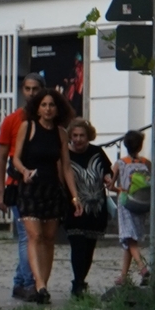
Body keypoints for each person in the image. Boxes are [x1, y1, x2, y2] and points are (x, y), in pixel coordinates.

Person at [6, 87, 79, 304]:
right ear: (37, 108)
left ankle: (43, 285)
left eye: (52, 105)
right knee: (34, 236)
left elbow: (66, 167)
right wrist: (24, 171)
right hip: (29, 189)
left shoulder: (61, 133)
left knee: (48, 239)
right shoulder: (27, 127)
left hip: (51, 190)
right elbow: (15, 158)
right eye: (44, 105)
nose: (48, 109)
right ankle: (38, 283)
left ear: (58, 109)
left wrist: (75, 197)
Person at [0, 75, 43, 300]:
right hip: (17, 184)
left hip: (43, 186)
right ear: (22, 91)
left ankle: (20, 281)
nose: (31, 93)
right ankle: (27, 282)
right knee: (28, 236)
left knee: (35, 236)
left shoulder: (50, 120)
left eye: (35, 89)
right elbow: (2, 157)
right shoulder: (12, 120)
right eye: (28, 89)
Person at [61, 119, 113, 298]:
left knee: (90, 246)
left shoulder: (97, 152)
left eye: (82, 135)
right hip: (74, 207)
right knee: (77, 245)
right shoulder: (65, 153)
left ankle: (82, 279)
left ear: (88, 136)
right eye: (74, 135)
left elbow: (108, 171)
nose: (78, 139)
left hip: (96, 208)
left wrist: (108, 178)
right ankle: (77, 282)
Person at [117, 127, 150, 287]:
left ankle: (142, 268)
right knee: (131, 239)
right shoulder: (145, 163)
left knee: (129, 238)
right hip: (142, 204)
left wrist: (119, 189)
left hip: (126, 203)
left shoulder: (121, 163)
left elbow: (109, 183)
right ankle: (123, 276)